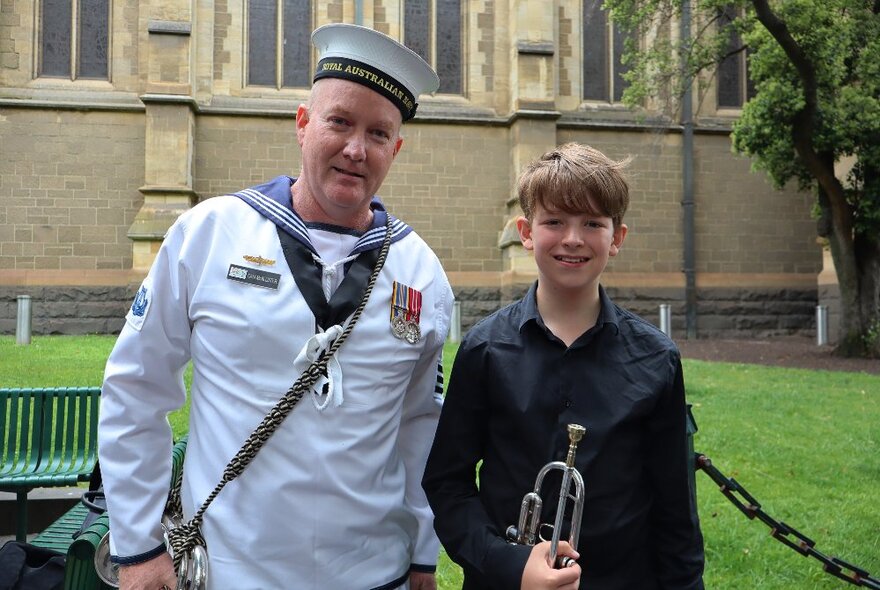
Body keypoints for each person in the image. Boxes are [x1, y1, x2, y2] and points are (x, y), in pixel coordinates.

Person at [98, 23, 453, 590]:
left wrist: (421, 558)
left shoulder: (420, 271)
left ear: (396, 147)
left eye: (379, 133)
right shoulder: (208, 234)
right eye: (339, 121)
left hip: (373, 573)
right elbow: (136, 388)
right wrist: (138, 548)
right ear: (303, 122)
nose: (356, 149)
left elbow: (421, 428)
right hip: (230, 572)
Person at [422, 143, 705, 590]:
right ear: (526, 232)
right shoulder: (485, 350)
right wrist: (509, 565)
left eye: (592, 223)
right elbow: (447, 484)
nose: (573, 238)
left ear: (617, 238)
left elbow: (676, 512)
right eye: (554, 221)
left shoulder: (656, 358)